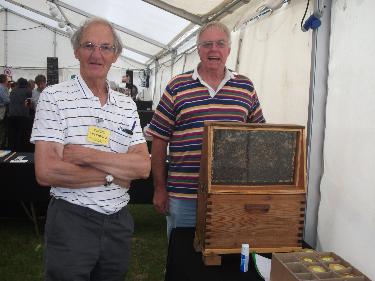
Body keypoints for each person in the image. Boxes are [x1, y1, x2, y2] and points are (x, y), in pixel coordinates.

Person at [30, 17, 151, 281]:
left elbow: (142, 167)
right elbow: (47, 170)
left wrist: (87, 155)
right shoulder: (54, 97)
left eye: (106, 47)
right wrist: (115, 175)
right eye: (89, 45)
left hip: (118, 222)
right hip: (72, 220)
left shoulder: (126, 104)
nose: (97, 54)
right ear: (76, 51)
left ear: (115, 56)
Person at [147, 21, 266, 240]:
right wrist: (159, 188)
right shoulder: (177, 86)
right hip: (184, 195)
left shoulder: (245, 87)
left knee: (225, 253)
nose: (213, 50)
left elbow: (258, 138)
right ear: (198, 50)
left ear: (229, 50)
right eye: (207, 44)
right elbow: (159, 140)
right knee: (181, 258)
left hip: (229, 194)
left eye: (220, 44)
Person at [7, 77, 33, 152]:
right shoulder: (28, 91)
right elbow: (28, 104)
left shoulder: (13, 90)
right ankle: (20, 151)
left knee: (13, 135)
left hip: (12, 115)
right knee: (21, 135)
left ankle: (13, 150)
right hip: (23, 116)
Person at [0, 74, 10, 149]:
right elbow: (7, 100)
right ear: (4, 80)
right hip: (2, 111)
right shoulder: (2, 88)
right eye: (7, 79)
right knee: (2, 130)